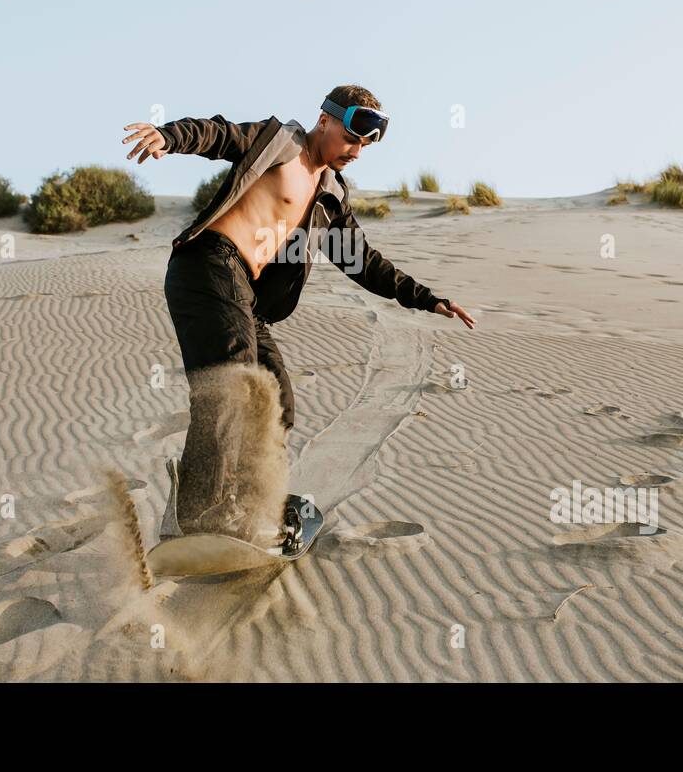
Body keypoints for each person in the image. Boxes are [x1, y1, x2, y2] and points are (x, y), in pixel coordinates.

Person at [121, 84, 476, 539]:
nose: (356, 151)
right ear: (324, 120)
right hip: (207, 265)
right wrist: (168, 137)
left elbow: (363, 261)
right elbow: (217, 134)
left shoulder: (329, 197)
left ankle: (248, 505)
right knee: (234, 380)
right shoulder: (278, 143)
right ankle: (197, 514)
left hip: (245, 298)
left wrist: (427, 298)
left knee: (277, 402)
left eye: (365, 145)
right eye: (351, 138)